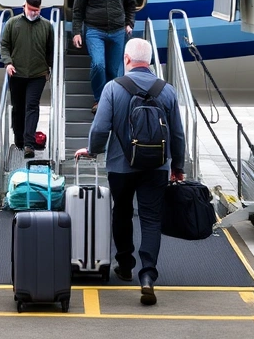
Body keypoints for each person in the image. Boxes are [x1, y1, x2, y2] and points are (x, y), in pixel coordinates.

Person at [75, 38, 185, 306]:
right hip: (156, 166)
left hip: (121, 165)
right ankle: (147, 276)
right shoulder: (167, 90)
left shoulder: (113, 88)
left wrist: (92, 150)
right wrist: (177, 166)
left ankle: (124, 265)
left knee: (122, 211)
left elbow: (101, 128)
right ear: (148, 60)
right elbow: (178, 134)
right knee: (150, 218)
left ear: (125, 59)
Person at [72, 0, 137, 113]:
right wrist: (77, 32)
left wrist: (129, 23)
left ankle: (114, 100)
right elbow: (78, 10)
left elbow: (130, 4)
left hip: (118, 32)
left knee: (115, 70)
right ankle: (100, 100)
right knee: (98, 65)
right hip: (95, 31)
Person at [0, 0, 54, 159]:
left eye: (37, 10)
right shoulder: (12, 23)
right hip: (16, 73)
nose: (34, 13)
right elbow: (4, 45)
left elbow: (50, 50)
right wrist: (8, 62)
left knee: (32, 106)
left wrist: (49, 69)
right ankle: (19, 139)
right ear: (25, 6)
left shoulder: (46, 26)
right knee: (18, 108)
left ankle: (29, 144)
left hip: (38, 74)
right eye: (31, 9)